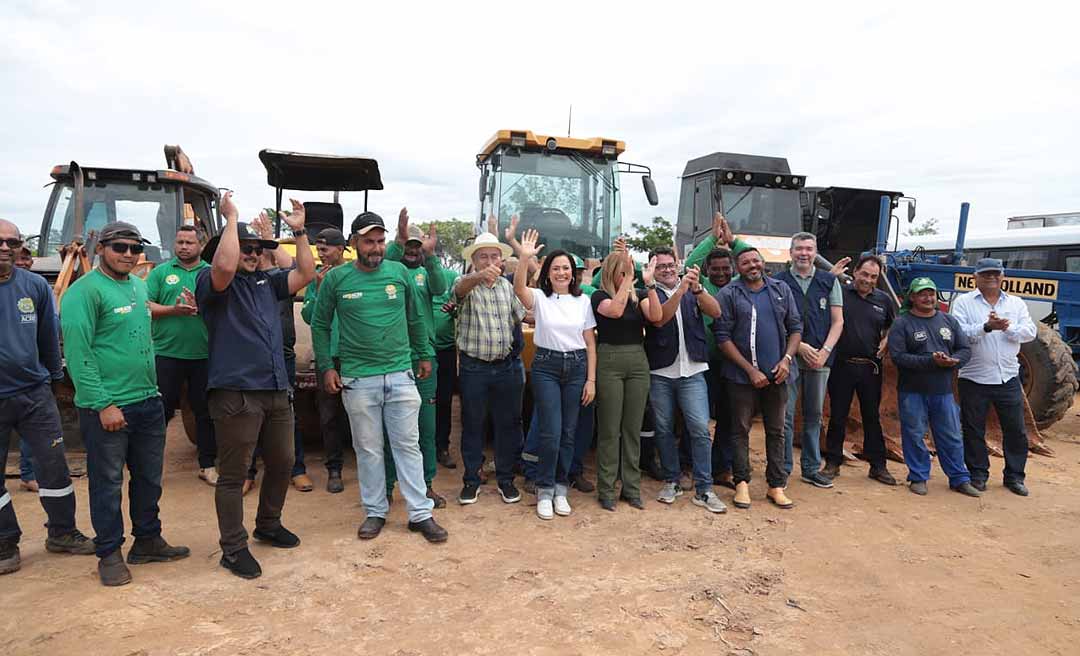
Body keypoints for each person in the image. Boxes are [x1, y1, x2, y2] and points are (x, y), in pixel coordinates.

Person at [61, 221, 190, 586]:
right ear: (101, 248)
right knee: (108, 483)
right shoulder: (83, 293)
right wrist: (103, 403)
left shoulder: (135, 285)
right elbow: (78, 354)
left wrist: (176, 310)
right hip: (109, 408)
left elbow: (142, 314)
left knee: (149, 479)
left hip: (147, 401)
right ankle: (109, 553)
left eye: (135, 248)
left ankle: (147, 540)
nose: (129, 255)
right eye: (120, 247)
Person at [196, 194, 315, 579]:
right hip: (236, 392)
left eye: (254, 249)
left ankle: (268, 524)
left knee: (281, 461)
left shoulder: (267, 281)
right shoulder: (212, 282)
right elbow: (226, 265)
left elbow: (306, 274)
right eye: (243, 247)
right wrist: (230, 219)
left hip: (276, 389)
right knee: (234, 473)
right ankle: (233, 548)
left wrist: (298, 233)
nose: (250, 254)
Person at [312, 211, 447, 543]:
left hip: (401, 373)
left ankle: (420, 513)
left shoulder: (398, 272)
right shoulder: (336, 279)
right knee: (369, 448)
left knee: (408, 445)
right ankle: (375, 512)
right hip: (358, 378)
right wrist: (328, 366)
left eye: (380, 241)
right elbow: (320, 324)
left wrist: (425, 354)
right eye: (369, 241)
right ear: (354, 243)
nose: (375, 248)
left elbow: (416, 317)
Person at [0, 220, 95, 576]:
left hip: (33, 394)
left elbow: (47, 340)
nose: (7, 248)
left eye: (13, 241)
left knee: (53, 465)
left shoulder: (35, 286)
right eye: (1, 242)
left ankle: (63, 532)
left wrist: (56, 382)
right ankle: (4, 542)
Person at [513, 228, 597, 520]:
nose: (561, 273)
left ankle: (561, 487)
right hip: (547, 367)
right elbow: (519, 290)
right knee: (551, 431)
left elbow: (589, 343)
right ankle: (544, 489)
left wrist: (591, 380)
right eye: (556, 268)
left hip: (577, 368)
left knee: (569, 432)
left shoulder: (583, 301)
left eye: (566, 268)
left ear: (573, 274)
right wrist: (524, 258)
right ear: (547, 273)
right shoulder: (540, 298)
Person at [714, 247, 802, 510]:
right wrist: (750, 370)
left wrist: (787, 359)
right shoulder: (728, 293)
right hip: (741, 378)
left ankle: (776, 485)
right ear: (737, 268)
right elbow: (722, 337)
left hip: (778, 375)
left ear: (762, 263)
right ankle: (742, 483)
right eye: (745, 262)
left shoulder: (780, 290)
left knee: (776, 431)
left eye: (755, 260)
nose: (751, 265)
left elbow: (796, 328)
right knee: (739, 430)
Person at [642, 245, 727, 513]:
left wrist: (698, 289)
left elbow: (716, 312)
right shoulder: (647, 293)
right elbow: (659, 320)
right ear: (652, 269)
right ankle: (672, 480)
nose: (667, 269)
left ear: (678, 264)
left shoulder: (694, 288)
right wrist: (681, 290)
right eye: (661, 266)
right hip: (661, 373)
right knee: (665, 430)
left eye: (670, 264)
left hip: (693, 371)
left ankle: (704, 488)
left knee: (700, 430)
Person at [887, 277, 980, 497]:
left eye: (931, 293)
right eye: (922, 294)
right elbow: (898, 356)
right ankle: (918, 477)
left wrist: (954, 361)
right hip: (912, 391)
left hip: (943, 391)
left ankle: (959, 478)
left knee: (951, 435)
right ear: (912, 297)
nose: (928, 298)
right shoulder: (902, 323)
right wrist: (931, 361)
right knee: (915, 434)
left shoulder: (949, 321)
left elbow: (964, 349)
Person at [952, 258, 1037, 496]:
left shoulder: (1016, 303)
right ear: (975, 277)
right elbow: (960, 334)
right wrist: (987, 326)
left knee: (1016, 430)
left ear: (1002, 276)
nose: (991, 277)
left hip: (1007, 377)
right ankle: (978, 475)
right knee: (973, 429)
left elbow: (1029, 332)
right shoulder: (964, 302)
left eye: (995, 274)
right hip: (974, 377)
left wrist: (1007, 327)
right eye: (985, 274)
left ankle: (1014, 477)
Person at [452, 231, 525, 506]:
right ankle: (471, 480)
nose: (491, 261)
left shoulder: (507, 287)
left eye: (495, 256)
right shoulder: (466, 285)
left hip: (506, 367)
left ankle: (506, 480)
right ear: (474, 260)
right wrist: (478, 276)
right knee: (473, 424)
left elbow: (523, 314)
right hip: (475, 369)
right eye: (484, 256)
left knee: (507, 424)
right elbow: (458, 290)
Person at [383, 211, 448, 508]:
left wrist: (431, 256)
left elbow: (439, 288)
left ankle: (427, 484)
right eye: (407, 246)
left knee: (426, 426)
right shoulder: (389, 270)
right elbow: (391, 257)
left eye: (417, 246)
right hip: (393, 358)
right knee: (389, 429)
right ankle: (385, 487)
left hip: (424, 358)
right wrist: (398, 237)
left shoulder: (427, 271)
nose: (413, 251)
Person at [684, 213, 751, 489]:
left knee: (728, 418)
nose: (722, 273)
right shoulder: (703, 287)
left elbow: (750, 258)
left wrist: (733, 242)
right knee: (696, 417)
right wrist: (713, 237)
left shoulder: (739, 286)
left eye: (726, 268)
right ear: (707, 270)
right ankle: (689, 464)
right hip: (703, 361)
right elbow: (690, 263)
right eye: (716, 269)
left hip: (732, 363)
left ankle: (720, 467)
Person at [146, 225, 217, 485]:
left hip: (204, 355)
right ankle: (150, 467)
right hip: (166, 353)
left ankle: (208, 465)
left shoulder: (211, 273)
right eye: (180, 242)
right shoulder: (161, 273)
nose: (184, 247)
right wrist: (173, 310)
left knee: (205, 411)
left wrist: (204, 308)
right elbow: (146, 306)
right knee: (161, 411)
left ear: (200, 245)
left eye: (189, 242)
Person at [592, 244, 661, 510]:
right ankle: (606, 489)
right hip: (609, 360)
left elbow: (656, 316)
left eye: (629, 272)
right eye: (623, 272)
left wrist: (650, 284)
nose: (628, 276)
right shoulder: (598, 296)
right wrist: (626, 281)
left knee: (632, 428)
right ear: (611, 273)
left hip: (637, 361)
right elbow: (615, 311)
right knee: (609, 429)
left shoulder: (640, 294)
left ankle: (631, 489)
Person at [773, 233, 843, 489]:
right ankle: (783, 468)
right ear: (790, 252)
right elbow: (775, 321)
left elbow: (838, 321)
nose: (804, 253)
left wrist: (824, 351)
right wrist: (798, 347)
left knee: (814, 415)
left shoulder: (828, 281)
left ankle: (811, 468)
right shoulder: (778, 281)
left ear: (815, 253)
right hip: (788, 358)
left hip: (819, 361)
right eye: (799, 249)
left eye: (809, 249)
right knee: (785, 415)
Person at [822, 255, 898, 485]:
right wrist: (828, 278)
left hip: (870, 368)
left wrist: (887, 340)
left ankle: (878, 466)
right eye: (864, 274)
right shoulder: (840, 294)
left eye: (874, 276)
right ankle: (833, 462)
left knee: (871, 417)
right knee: (838, 415)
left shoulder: (883, 300)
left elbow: (895, 323)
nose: (868, 280)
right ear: (855, 272)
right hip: (842, 365)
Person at [300, 227, 352, 493]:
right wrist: (320, 291)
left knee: (359, 413)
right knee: (329, 414)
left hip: (356, 355)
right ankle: (334, 469)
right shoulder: (315, 278)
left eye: (325, 249)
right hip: (328, 356)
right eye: (318, 249)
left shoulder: (354, 274)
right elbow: (309, 316)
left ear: (340, 248)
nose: (321, 253)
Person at [13, 241, 41, 493]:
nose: (22, 262)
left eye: (26, 258)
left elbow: (47, 329)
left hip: (29, 375)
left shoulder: (35, 286)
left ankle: (28, 474)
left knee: (31, 431)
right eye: (18, 258)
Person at [433, 260, 460, 470]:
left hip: (446, 349)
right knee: (418, 403)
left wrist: (453, 310)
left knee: (444, 401)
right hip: (420, 352)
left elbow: (459, 307)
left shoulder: (451, 276)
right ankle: (421, 449)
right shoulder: (414, 274)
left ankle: (442, 447)